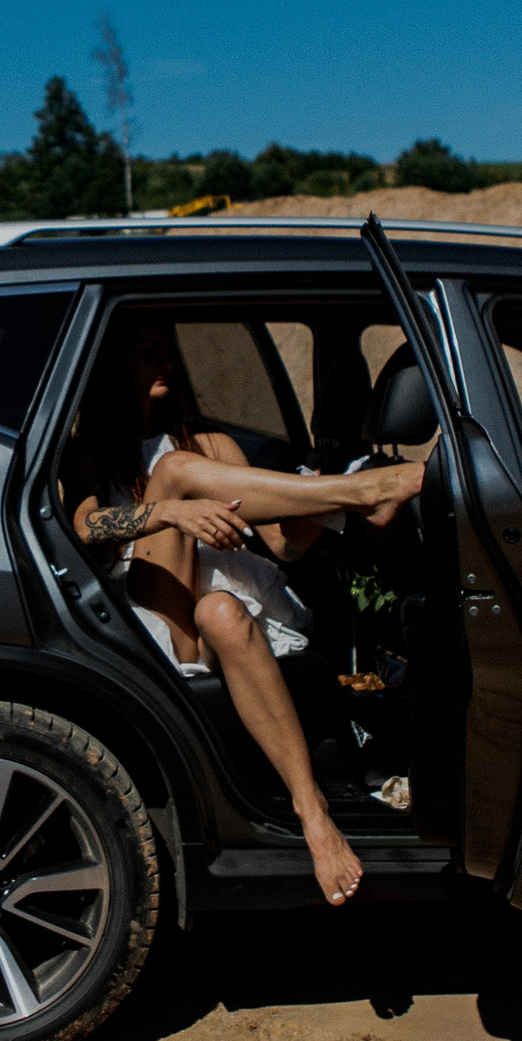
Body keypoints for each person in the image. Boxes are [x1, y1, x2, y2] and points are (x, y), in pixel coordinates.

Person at [67, 318, 423, 905]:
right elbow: (84, 526)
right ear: (113, 368)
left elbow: (280, 546)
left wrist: (302, 514)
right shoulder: (91, 453)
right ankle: (359, 492)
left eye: (169, 354)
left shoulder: (212, 444)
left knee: (224, 613)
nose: (167, 365)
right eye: (148, 351)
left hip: (211, 615)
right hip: (152, 619)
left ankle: (315, 818)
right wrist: (170, 514)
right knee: (176, 476)